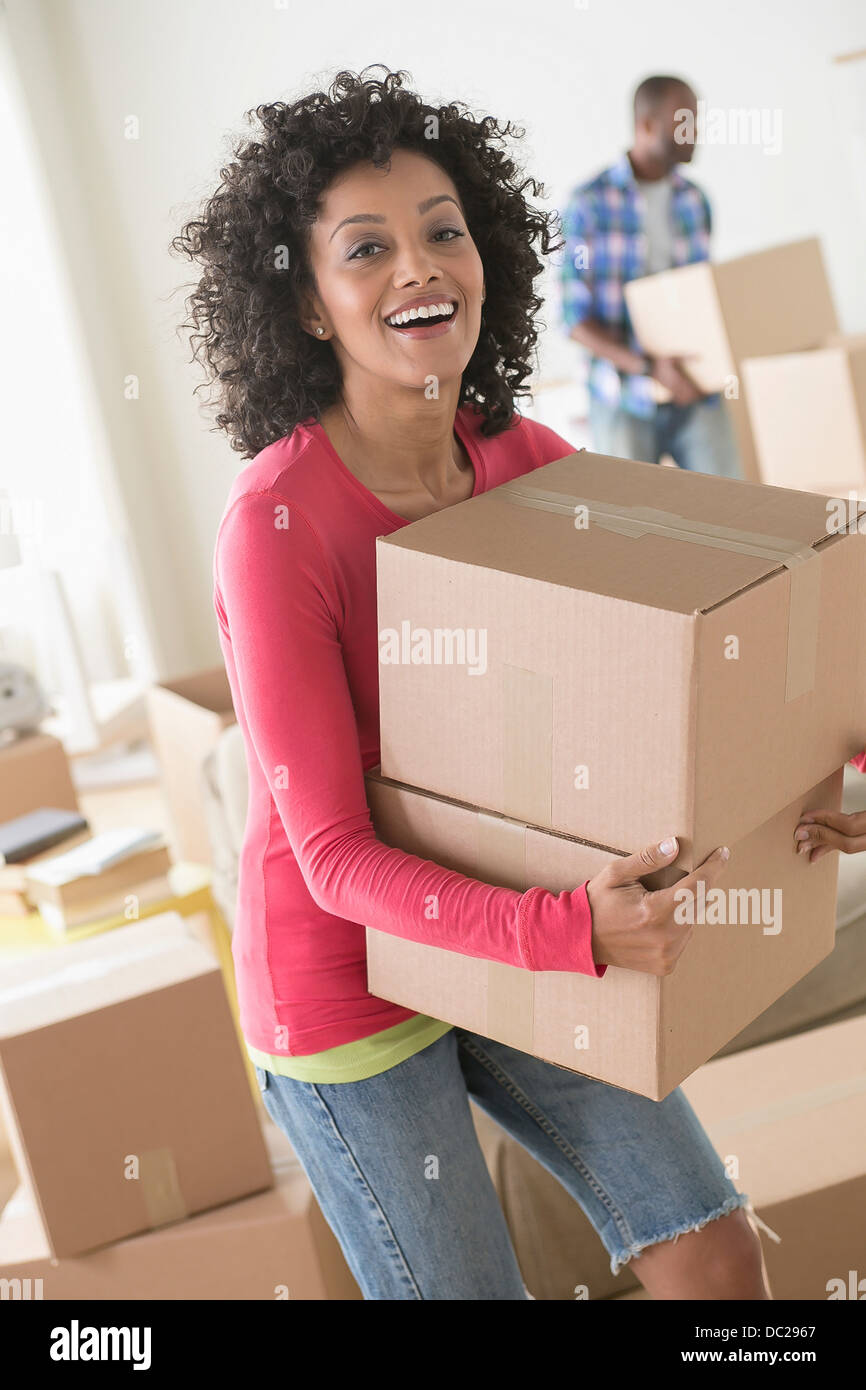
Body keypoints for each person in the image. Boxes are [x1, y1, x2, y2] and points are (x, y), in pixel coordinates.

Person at [173, 65, 769, 1300]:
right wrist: (565, 929)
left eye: (443, 230)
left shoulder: (523, 460)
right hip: (349, 984)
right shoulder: (275, 521)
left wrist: (819, 768)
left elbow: (693, 649)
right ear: (304, 305)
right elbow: (331, 856)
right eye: (365, 249)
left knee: (707, 1253)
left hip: (508, 916)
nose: (417, 268)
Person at [560, 74, 741, 477]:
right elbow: (573, 320)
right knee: (635, 531)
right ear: (646, 126)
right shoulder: (588, 205)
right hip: (622, 398)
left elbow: (700, 299)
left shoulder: (695, 202)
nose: (695, 131)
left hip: (695, 391)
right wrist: (650, 368)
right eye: (683, 121)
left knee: (737, 516)